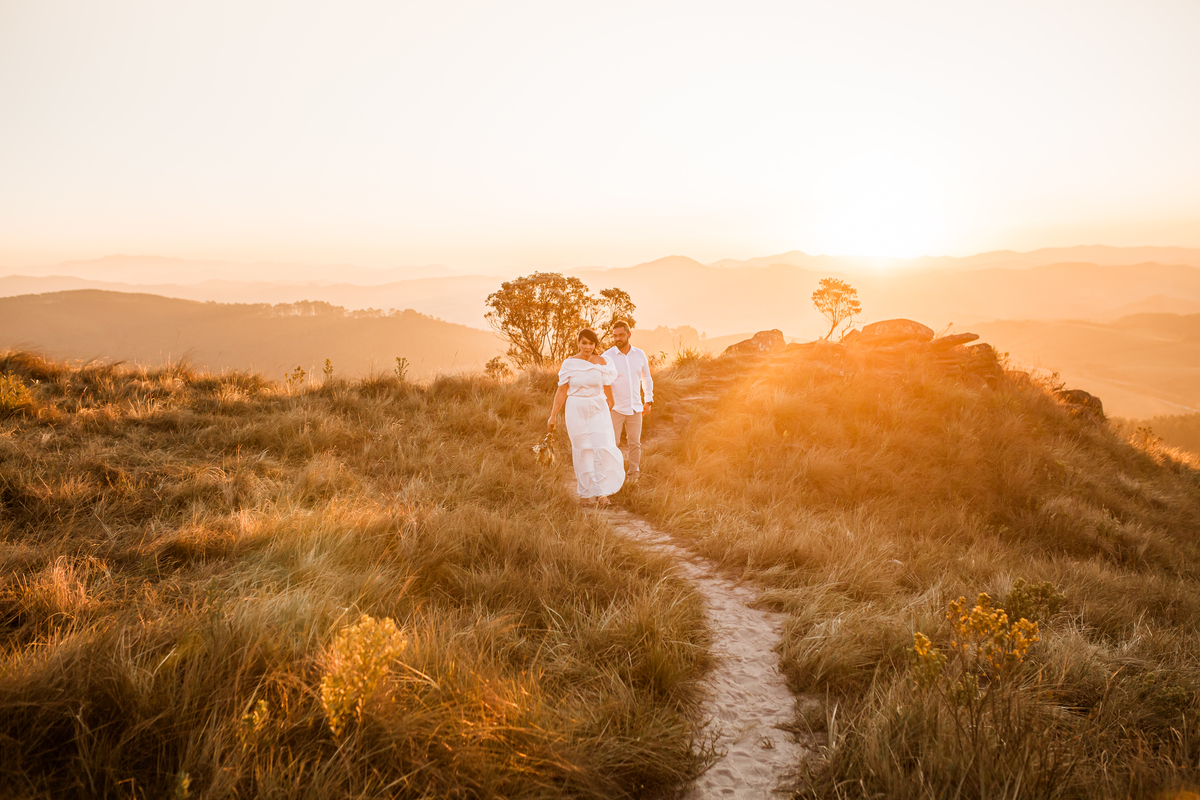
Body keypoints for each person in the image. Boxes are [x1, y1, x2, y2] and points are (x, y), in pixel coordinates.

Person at [548, 329, 625, 506]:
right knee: (582, 449)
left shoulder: (602, 362)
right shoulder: (569, 364)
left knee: (600, 446)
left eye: (591, 343)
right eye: (584, 343)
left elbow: (606, 384)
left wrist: (610, 402)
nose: (588, 347)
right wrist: (553, 416)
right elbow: (561, 391)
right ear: (578, 343)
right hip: (576, 408)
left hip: (598, 407)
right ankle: (584, 493)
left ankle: (601, 493)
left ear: (595, 345)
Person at [602, 320, 654, 485]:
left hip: (635, 407)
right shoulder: (607, 357)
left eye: (621, 335)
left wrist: (648, 399)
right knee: (612, 444)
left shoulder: (640, 355)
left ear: (629, 335)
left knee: (635, 443)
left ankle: (633, 475)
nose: (618, 338)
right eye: (615, 335)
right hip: (615, 408)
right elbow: (602, 381)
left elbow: (646, 377)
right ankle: (612, 476)